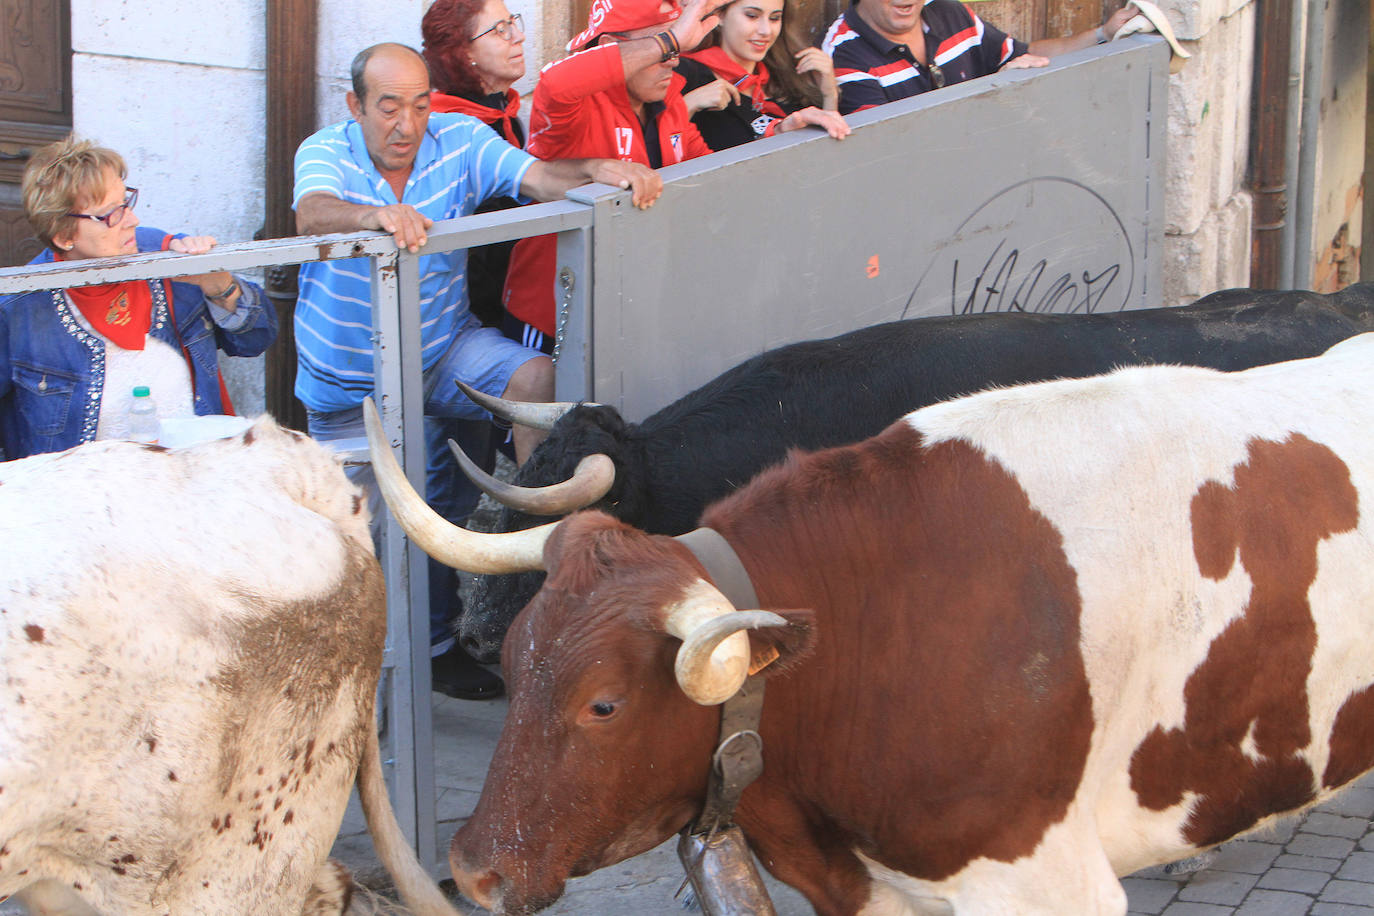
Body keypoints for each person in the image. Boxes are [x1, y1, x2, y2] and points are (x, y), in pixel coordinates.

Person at [293, 42, 660, 701]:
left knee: (534, 381)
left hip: (441, 354)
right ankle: (355, 690)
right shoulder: (326, 149)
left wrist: (601, 169)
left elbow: (542, 179)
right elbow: (311, 212)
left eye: (419, 103)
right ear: (355, 107)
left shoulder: (459, 137)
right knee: (353, 540)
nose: (407, 124)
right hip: (351, 382)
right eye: (388, 108)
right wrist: (373, 217)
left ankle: (531, 549)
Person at [0, 137, 276, 461]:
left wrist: (219, 284)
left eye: (126, 202)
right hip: (88, 504)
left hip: (190, 485)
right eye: (110, 215)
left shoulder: (166, 257)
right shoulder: (19, 311)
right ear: (64, 235)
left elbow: (256, 339)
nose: (132, 220)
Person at [500, 0, 723, 353]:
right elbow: (555, 82)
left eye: (675, 46)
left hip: (632, 309)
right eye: (661, 43)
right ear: (609, 46)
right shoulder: (576, 105)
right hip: (555, 319)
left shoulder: (668, 96)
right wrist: (671, 38)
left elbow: (711, 173)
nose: (673, 57)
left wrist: (778, 133)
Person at [822, 0, 1138, 115]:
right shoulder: (845, 52)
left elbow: (1029, 56)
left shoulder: (951, 13)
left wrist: (1103, 34)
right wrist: (998, 88)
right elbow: (884, 155)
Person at [677, 0, 851, 150]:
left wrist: (829, 95)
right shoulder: (686, 75)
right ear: (720, 14)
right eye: (752, 16)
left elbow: (828, 151)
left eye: (775, 18)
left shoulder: (788, 71)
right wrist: (687, 106)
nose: (766, 30)